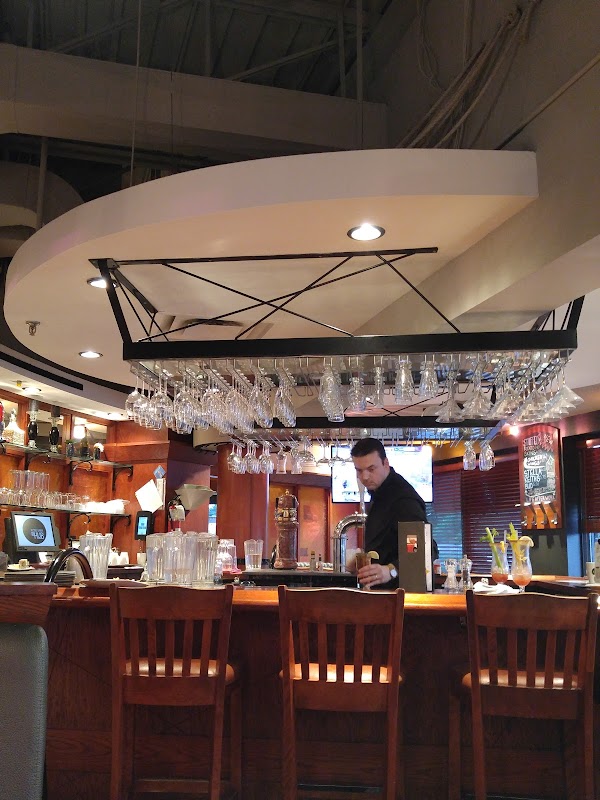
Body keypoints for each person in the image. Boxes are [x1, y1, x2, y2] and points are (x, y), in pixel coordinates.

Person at [350, 437, 436, 590]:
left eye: (371, 469)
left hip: (403, 594)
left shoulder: (403, 499)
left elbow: (423, 549)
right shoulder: (379, 492)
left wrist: (391, 570)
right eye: (359, 470)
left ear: (386, 463)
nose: (364, 477)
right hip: (384, 594)